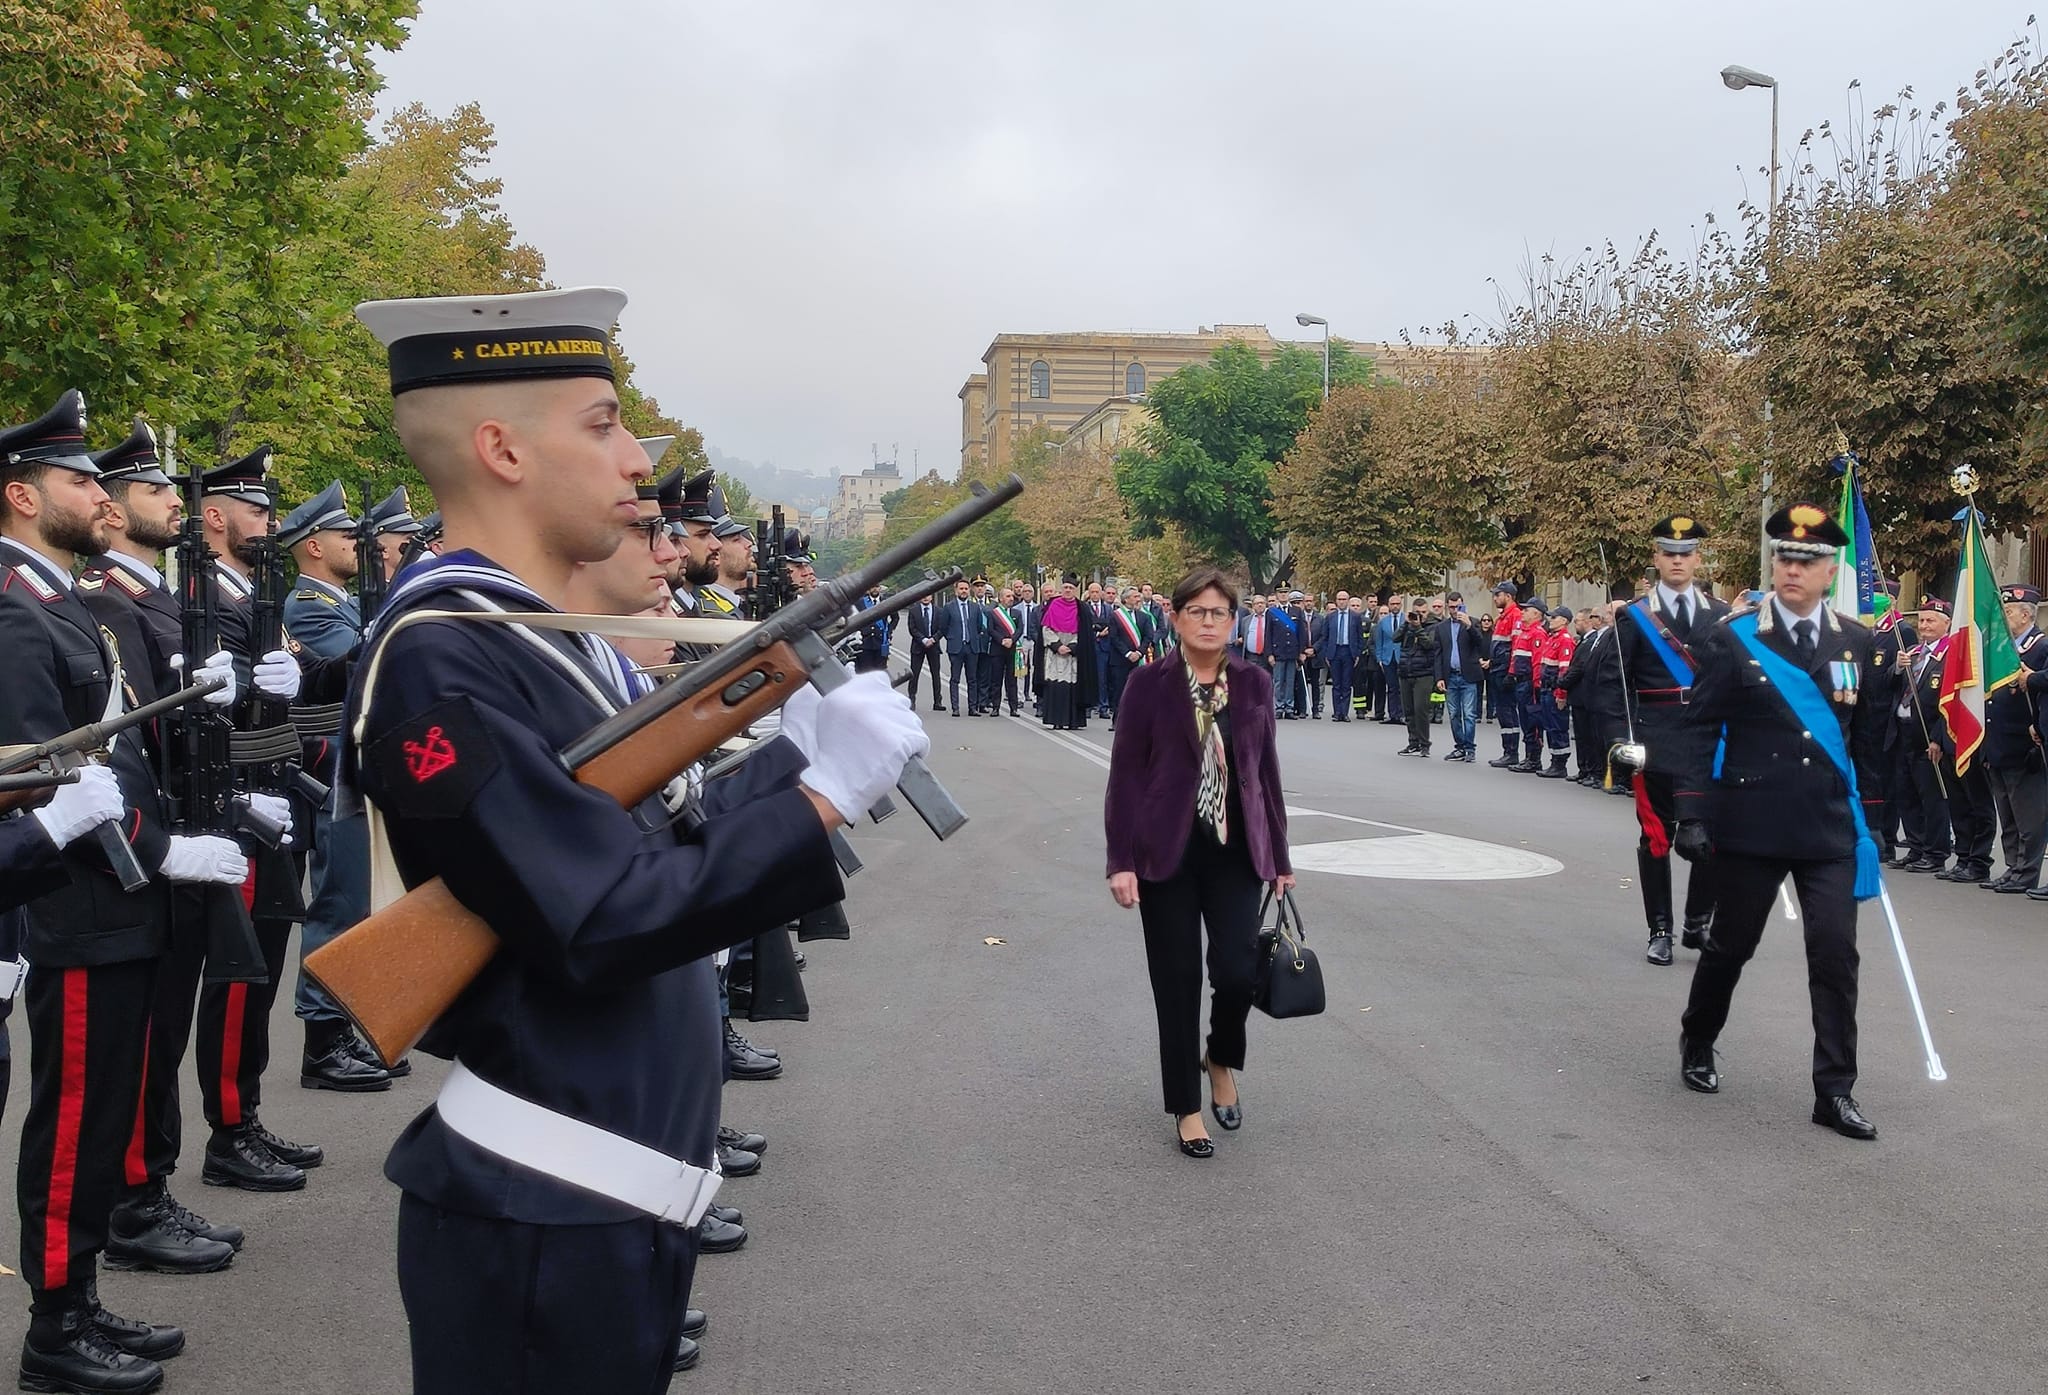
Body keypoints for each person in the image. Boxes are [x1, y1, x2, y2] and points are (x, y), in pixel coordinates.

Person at [349, 285, 929, 1392]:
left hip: (599, 1194)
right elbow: (599, 918)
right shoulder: (442, 651)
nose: (633, 466)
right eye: (602, 424)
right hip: (540, 1199)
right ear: (500, 450)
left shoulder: (528, 641)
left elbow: (649, 835)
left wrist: (796, 757)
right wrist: (818, 799)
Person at [1, 388, 251, 1391]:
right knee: (72, 1124)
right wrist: (159, 850)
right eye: (76, 479)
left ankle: (84, 1296)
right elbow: (40, 784)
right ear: (21, 495)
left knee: (106, 1115)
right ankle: (53, 1330)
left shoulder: (57, 600)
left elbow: (115, 763)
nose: (96, 494)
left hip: (120, 893)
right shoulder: (15, 614)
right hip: (76, 901)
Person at [1673, 504, 1885, 1141]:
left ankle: (1835, 1090)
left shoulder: (1858, 641)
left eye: (1809, 561)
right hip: (1751, 824)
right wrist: (1692, 813)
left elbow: (1867, 744)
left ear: (1830, 571)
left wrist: (1871, 826)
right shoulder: (1733, 636)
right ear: (1774, 566)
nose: (1794, 569)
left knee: (1835, 956)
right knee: (1732, 946)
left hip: (1827, 829)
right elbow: (1698, 728)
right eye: (1786, 559)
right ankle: (1698, 1037)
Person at [1104, 566, 1293, 1160]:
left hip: (1237, 851)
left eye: (1219, 613)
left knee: (1237, 972)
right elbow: (1127, 776)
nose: (1209, 622)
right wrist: (1121, 859)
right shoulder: (1149, 685)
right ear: (1177, 617)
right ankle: (1186, 1105)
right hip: (1167, 853)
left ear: (1234, 622)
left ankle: (1221, 1057)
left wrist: (1280, 856)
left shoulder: (1255, 683)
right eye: (1197, 612)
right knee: (1177, 980)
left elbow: (1265, 774)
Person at [1978, 584, 2047, 892]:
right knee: (2007, 812)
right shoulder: (2001, 646)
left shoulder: (2040, 646)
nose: (2003, 617)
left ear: (2025, 614)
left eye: (2007, 612)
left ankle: (2027, 872)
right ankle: (2013, 867)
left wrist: (2031, 678)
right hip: (1998, 740)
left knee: (2028, 815)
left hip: (2023, 742)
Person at [1899, 599, 1957, 875]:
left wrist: (1938, 738)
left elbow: (1948, 701)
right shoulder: (1913, 652)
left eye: (1930, 620)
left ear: (1946, 623)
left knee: (1932, 797)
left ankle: (1936, 852)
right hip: (1903, 732)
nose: (1924, 626)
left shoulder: (1949, 654)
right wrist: (1898, 667)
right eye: (1921, 620)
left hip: (1928, 734)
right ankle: (1916, 846)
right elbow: (1891, 683)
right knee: (1908, 794)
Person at [1033, 576, 1096, 729]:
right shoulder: (1053, 605)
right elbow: (1046, 629)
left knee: (1073, 686)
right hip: (1055, 652)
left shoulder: (1082, 608)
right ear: (1061, 589)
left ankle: (1073, 721)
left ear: (1075, 590)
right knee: (1055, 686)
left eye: (1071, 588)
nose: (1068, 590)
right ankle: (1056, 720)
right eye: (1065, 587)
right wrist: (1057, 645)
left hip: (1074, 653)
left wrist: (1072, 646)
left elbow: (1085, 633)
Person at [1434, 592, 1484, 761]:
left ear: (1463, 605)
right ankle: (1460, 747)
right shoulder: (1441, 627)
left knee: (1469, 714)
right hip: (1450, 676)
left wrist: (1469, 626)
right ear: (1447, 606)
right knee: (1454, 714)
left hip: (1468, 675)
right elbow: (1438, 654)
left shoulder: (1473, 623)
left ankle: (1470, 749)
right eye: (1452, 607)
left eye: (1458, 607)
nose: (1455, 610)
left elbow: (1481, 644)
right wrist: (1439, 677)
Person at [1532, 606, 1578, 778]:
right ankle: (1554, 761)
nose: (1550, 620)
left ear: (1564, 621)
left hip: (1554, 691)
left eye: (1554, 617)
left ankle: (1560, 764)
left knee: (1558, 727)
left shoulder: (1565, 640)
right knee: (1550, 726)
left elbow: (1564, 670)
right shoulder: (1552, 638)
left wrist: (1561, 694)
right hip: (1546, 689)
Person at [1484, 582, 1524, 764]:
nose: (1494, 598)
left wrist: (1512, 672)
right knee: (1502, 711)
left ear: (1508, 596)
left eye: (1497, 595)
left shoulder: (1515, 616)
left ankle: (1512, 752)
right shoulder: (1502, 617)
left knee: (1507, 711)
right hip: (1498, 668)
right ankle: (1508, 751)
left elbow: (1515, 646)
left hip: (1505, 671)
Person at [1395, 600, 1439, 756]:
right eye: (1417, 612)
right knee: (1408, 710)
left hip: (1424, 673)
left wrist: (1418, 627)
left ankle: (1425, 743)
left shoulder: (1434, 626)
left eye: (1423, 612)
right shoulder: (1408, 625)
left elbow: (1429, 645)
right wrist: (1406, 624)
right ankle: (1413, 742)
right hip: (1406, 670)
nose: (1419, 615)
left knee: (1421, 709)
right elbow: (1395, 638)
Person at [1105, 585, 1151, 723]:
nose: (1138, 599)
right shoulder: (1116, 616)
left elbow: (1148, 637)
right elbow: (1114, 637)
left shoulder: (1144, 617)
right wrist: (1127, 653)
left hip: (1139, 659)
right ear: (1126, 599)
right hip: (1120, 660)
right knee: (1120, 690)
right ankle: (1118, 720)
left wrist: (1139, 653)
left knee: (1138, 690)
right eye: (1135, 596)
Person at [941, 577, 983, 717]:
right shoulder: (949, 607)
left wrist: (972, 638)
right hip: (956, 647)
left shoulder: (975, 607)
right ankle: (955, 708)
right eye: (961, 589)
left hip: (971, 647)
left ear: (969, 590)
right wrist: (952, 638)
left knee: (972, 679)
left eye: (966, 589)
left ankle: (973, 708)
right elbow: (944, 627)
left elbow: (978, 626)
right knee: (955, 678)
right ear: (956, 590)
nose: (964, 591)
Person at [1321, 590, 1361, 722]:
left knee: (1346, 684)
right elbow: (1325, 637)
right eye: (1339, 599)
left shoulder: (1355, 616)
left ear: (1348, 600)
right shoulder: (1330, 617)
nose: (1342, 601)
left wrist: (1357, 654)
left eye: (1344, 599)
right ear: (1336, 601)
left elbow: (1359, 637)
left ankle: (1344, 712)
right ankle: (1337, 712)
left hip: (1348, 652)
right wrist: (1327, 653)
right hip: (1335, 651)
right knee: (1336, 684)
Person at [905, 585, 944, 710]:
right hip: (918, 646)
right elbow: (912, 628)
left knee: (936, 674)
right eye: (923, 595)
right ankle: (911, 700)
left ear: (931, 597)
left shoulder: (939, 611)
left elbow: (942, 628)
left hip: (933, 646)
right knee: (914, 674)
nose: (925, 598)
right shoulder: (913, 611)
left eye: (928, 595)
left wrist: (933, 639)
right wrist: (923, 639)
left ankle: (937, 701)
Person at [1371, 597, 1404, 724]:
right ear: (1389, 605)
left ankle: (1401, 714)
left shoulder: (1406, 620)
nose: (1395, 606)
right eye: (1392, 604)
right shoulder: (1383, 622)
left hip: (1402, 657)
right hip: (1387, 658)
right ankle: (1393, 714)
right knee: (1391, 687)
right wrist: (1379, 658)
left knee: (1402, 687)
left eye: (1397, 604)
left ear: (1401, 605)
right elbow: (1379, 641)